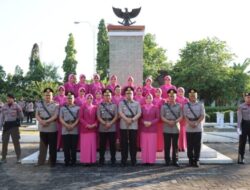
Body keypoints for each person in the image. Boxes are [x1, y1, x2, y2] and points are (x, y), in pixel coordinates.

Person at [35, 88, 59, 167]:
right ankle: (40, 161)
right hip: (42, 127)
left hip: (51, 127)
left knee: (52, 146)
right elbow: (36, 115)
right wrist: (41, 121)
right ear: (44, 95)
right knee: (42, 146)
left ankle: (52, 162)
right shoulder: (39, 104)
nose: (48, 96)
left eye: (49, 95)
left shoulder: (56, 104)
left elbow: (55, 115)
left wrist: (47, 121)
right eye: (46, 95)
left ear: (52, 96)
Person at [119, 87, 141, 166]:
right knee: (123, 143)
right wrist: (126, 119)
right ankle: (123, 160)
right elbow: (120, 112)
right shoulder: (121, 103)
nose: (129, 95)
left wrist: (131, 120)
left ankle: (133, 160)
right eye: (127, 93)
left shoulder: (137, 103)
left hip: (133, 124)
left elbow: (139, 113)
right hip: (124, 124)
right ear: (125, 94)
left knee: (133, 143)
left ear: (133, 94)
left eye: (130, 93)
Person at [183, 89, 205, 167]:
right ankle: (190, 160)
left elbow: (202, 115)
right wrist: (189, 123)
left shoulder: (200, 105)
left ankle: (197, 160)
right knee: (189, 145)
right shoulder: (186, 105)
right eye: (191, 96)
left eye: (194, 96)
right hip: (189, 127)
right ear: (189, 96)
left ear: (196, 96)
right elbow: (185, 116)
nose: (193, 97)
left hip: (198, 127)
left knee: (197, 145)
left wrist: (197, 122)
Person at [161, 89, 182, 167]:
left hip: (176, 127)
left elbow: (181, 116)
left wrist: (175, 121)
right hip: (166, 127)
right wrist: (168, 122)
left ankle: (175, 160)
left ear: (175, 97)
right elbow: (162, 116)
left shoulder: (179, 106)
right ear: (168, 97)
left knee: (175, 145)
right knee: (167, 145)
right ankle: (167, 160)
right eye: (170, 96)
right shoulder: (164, 106)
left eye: (173, 96)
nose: (172, 97)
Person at [97, 89, 118, 166]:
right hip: (102, 127)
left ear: (111, 96)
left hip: (112, 127)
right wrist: (104, 123)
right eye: (106, 95)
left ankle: (113, 159)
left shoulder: (114, 105)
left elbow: (116, 116)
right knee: (102, 144)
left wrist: (110, 123)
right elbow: (98, 116)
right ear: (103, 96)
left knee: (112, 144)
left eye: (109, 95)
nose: (107, 97)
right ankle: (101, 159)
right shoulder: (100, 105)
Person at [1, 94, 24, 163]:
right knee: (4, 142)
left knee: (16, 142)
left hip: (14, 126)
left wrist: (19, 113)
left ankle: (18, 157)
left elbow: (22, 116)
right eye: (7, 98)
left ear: (13, 99)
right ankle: (3, 158)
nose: (8, 100)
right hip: (6, 125)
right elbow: (1, 117)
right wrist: (0, 126)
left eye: (10, 98)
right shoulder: (4, 106)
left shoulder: (17, 106)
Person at [59, 92, 79, 166]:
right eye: (68, 98)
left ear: (74, 99)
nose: (69, 99)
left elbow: (78, 118)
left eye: (71, 98)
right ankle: (66, 161)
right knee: (66, 147)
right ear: (66, 99)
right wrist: (66, 125)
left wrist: (73, 125)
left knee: (74, 147)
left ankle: (73, 161)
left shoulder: (77, 108)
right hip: (65, 128)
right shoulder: (62, 108)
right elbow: (60, 118)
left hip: (74, 128)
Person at [140, 93, 159, 164]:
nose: (148, 99)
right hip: (144, 128)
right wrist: (144, 122)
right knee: (144, 145)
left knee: (152, 145)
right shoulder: (142, 107)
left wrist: (151, 123)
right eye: (147, 98)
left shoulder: (156, 107)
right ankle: (144, 160)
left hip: (152, 129)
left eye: (150, 98)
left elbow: (157, 118)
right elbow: (140, 117)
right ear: (145, 99)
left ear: (152, 99)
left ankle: (151, 161)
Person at [79, 94, 98, 165]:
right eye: (88, 98)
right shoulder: (82, 107)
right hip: (85, 130)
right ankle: (85, 161)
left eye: (91, 98)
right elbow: (80, 118)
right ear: (86, 99)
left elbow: (97, 118)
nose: (89, 99)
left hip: (93, 129)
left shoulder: (95, 107)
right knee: (85, 146)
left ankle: (91, 160)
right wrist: (87, 125)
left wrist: (94, 124)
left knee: (91, 146)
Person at [237, 92, 250, 164]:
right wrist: (239, 128)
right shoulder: (241, 106)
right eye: (247, 97)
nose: (248, 99)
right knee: (242, 143)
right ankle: (241, 158)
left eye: (249, 97)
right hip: (244, 125)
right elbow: (239, 118)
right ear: (244, 98)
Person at [53, 86, 67, 151]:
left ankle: (64, 146)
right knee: (58, 132)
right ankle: (57, 146)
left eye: (63, 90)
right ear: (58, 91)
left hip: (65, 118)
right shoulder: (55, 98)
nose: (61, 91)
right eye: (60, 90)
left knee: (64, 133)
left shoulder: (67, 98)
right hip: (57, 117)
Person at [176, 87, 189, 152]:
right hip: (177, 118)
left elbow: (189, 109)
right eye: (179, 91)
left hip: (184, 118)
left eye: (182, 91)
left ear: (184, 92)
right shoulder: (175, 99)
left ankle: (183, 146)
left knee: (183, 132)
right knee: (177, 132)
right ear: (177, 92)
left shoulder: (186, 100)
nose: (180, 93)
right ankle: (178, 146)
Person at [153, 88, 165, 152]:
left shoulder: (163, 100)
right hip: (154, 120)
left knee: (161, 134)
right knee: (155, 134)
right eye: (156, 92)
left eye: (159, 92)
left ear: (161, 93)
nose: (158, 93)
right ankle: (154, 147)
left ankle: (160, 147)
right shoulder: (152, 100)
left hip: (161, 120)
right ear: (155, 93)